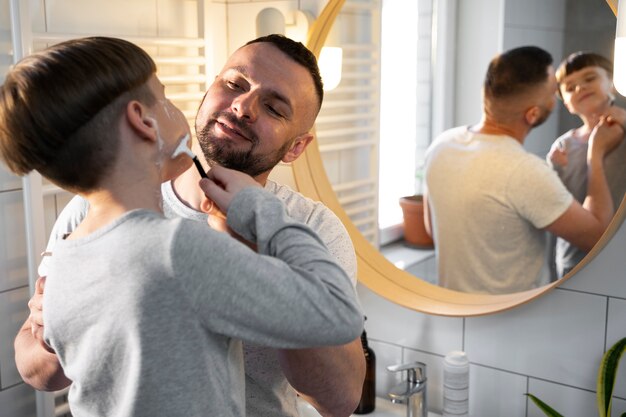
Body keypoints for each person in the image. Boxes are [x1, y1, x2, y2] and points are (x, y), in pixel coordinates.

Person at [1, 36, 364, 417]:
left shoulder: (83, 237)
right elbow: (35, 364)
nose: (242, 106)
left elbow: (341, 402)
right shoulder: (172, 244)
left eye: (273, 108)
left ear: (295, 148)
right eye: (234, 85)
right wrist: (259, 214)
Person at [423, 46, 624, 294]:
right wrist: (596, 154)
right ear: (533, 114)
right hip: (514, 319)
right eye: (556, 91)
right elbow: (597, 237)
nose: (576, 90)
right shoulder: (524, 171)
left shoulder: (442, 144)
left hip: (457, 311)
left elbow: (433, 230)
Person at [547, 51, 626, 277]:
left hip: (619, 257)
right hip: (574, 259)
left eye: (589, 78)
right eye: (570, 87)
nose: (580, 88)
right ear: (567, 104)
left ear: (612, 83)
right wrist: (555, 168)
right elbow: (556, 203)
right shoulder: (562, 146)